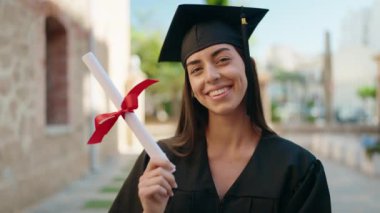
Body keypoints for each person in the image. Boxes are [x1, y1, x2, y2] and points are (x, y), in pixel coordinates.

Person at [110, 4, 331, 213]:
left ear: (247, 66)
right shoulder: (159, 162)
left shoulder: (297, 169)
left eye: (223, 59)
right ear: (191, 87)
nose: (211, 76)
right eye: (196, 69)